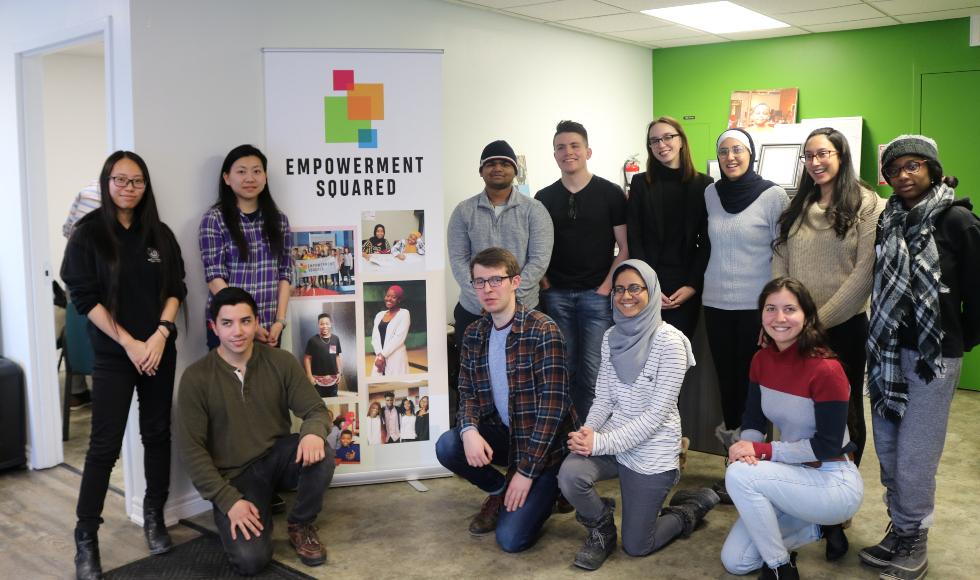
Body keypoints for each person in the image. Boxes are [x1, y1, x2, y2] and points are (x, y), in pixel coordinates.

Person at [859, 135, 980, 580]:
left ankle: (916, 536)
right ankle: (902, 526)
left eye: (913, 166)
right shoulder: (888, 219)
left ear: (931, 168)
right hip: (888, 353)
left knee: (916, 454)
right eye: (895, 169)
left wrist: (958, 342)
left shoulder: (958, 220)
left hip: (934, 359)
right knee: (888, 447)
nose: (904, 175)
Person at [61, 151, 187, 580]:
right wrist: (131, 342)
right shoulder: (88, 234)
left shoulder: (159, 233)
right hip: (117, 355)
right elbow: (84, 296)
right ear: (107, 181)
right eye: (120, 180)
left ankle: (154, 516)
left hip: (157, 351)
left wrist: (159, 335)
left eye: (137, 181)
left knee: (156, 433)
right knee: (103, 446)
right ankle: (86, 540)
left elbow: (176, 288)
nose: (129, 188)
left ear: (145, 186)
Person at [557, 260, 717, 570]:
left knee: (637, 546)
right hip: (614, 439)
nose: (626, 296)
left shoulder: (671, 343)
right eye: (619, 289)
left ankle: (692, 508)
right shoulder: (610, 336)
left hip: (652, 448)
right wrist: (589, 432)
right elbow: (603, 397)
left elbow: (656, 416)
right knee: (570, 475)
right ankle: (601, 529)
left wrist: (599, 444)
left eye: (635, 288)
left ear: (652, 291)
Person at [178, 288, 334, 575]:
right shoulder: (196, 378)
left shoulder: (281, 362)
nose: (237, 331)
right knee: (250, 561)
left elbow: (317, 410)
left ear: (256, 322)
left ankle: (300, 523)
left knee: (322, 451)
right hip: (236, 479)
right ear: (214, 327)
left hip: (277, 458)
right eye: (227, 323)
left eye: (245, 321)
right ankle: (250, 511)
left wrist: (313, 432)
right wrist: (228, 501)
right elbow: (191, 450)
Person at [435, 247, 578, 553]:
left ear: (515, 282)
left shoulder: (543, 331)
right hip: (507, 434)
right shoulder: (474, 333)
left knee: (511, 540)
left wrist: (525, 474)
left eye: (496, 280)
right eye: (479, 281)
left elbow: (552, 412)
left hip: (547, 447)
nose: (487, 289)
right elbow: (468, 393)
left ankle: (554, 488)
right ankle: (500, 490)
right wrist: (469, 431)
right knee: (449, 445)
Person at [720, 277, 863, 580]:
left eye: (790, 309)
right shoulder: (761, 360)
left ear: (807, 317)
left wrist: (761, 451)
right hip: (792, 474)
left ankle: (780, 568)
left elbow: (827, 446)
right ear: (761, 317)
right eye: (771, 309)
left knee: (739, 475)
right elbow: (754, 420)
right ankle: (820, 528)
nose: (779, 318)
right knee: (736, 561)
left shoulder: (827, 370)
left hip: (833, 482)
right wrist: (749, 450)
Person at [772, 127, 885, 467]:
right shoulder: (798, 205)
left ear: (841, 155)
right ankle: (804, 478)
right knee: (800, 406)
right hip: (796, 328)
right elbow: (781, 261)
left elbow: (865, 272)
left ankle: (842, 489)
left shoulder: (869, 204)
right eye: (808, 155)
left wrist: (814, 322)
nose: (815, 162)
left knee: (844, 410)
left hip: (844, 328)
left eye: (823, 153)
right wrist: (786, 316)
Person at [702, 128, 789, 501]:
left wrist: (774, 311)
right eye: (724, 151)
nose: (731, 156)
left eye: (738, 149)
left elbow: (782, 253)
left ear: (751, 153)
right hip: (715, 303)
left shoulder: (773, 196)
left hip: (756, 309)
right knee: (728, 385)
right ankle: (735, 463)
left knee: (757, 387)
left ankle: (759, 464)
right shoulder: (709, 193)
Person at [535, 120, 629, 420]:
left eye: (574, 146)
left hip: (596, 296)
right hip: (557, 296)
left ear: (587, 151)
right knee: (563, 369)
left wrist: (605, 287)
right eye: (561, 147)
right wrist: (546, 285)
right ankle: (566, 437)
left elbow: (624, 247)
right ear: (554, 155)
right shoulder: (543, 198)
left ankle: (589, 438)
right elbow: (535, 249)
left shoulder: (611, 193)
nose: (568, 152)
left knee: (593, 372)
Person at [447, 140, 554, 339]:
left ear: (515, 171)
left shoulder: (535, 210)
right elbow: (458, 261)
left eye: (505, 164)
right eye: (490, 164)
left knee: (523, 369)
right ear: (481, 171)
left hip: (524, 309)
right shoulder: (463, 211)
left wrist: (507, 299)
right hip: (474, 310)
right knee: (475, 369)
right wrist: (484, 298)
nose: (497, 168)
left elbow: (539, 261)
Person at [626, 116, 714, 340]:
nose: (661, 145)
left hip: (686, 284)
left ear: (681, 140)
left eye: (667, 137)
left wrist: (693, 286)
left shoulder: (704, 185)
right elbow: (634, 237)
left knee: (677, 358)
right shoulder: (640, 184)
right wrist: (648, 286)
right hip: (649, 282)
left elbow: (706, 241)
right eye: (654, 141)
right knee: (646, 356)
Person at [199, 144, 291, 351]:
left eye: (256, 171)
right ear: (227, 178)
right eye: (241, 172)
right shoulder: (215, 219)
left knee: (268, 384)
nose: (250, 178)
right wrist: (248, 323)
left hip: (270, 328)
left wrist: (280, 321)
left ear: (265, 177)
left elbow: (285, 273)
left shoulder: (280, 221)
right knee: (228, 383)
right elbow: (214, 277)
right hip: (229, 328)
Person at [62, 179, 103, 408]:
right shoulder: (103, 193)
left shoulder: (87, 189)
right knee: (97, 329)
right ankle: (101, 393)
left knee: (77, 324)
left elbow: (67, 229)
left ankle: (77, 392)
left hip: (74, 270)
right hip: (96, 273)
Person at [370, 285, 411, 376]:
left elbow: (398, 339)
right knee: (378, 386)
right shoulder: (379, 315)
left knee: (396, 387)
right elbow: (375, 337)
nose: (389, 299)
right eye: (388, 295)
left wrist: (382, 357)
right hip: (380, 358)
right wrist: (379, 356)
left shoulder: (404, 314)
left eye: (394, 297)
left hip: (396, 358)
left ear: (399, 300)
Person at [305, 313, 343, 398]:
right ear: (318, 325)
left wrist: (339, 373)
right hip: (317, 381)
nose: (324, 326)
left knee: (333, 402)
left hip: (333, 381)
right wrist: (309, 376)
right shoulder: (312, 340)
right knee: (319, 405)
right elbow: (307, 358)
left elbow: (336, 356)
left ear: (330, 324)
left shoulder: (335, 339)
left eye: (327, 324)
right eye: (322, 324)